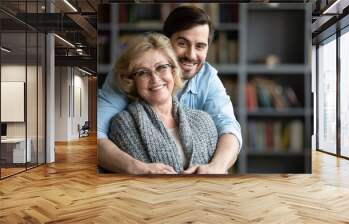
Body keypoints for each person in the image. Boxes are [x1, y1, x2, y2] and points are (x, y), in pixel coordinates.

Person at [98, 6, 242, 174]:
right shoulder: (127, 74)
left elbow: (229, 128)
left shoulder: (207, 79)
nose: (191, 55)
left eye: (200, 46)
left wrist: (216, 167)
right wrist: (136, 169)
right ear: (166, 41)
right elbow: (96, 135)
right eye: (182, 43)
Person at [108, 33, 218, 174]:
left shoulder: (204, 121)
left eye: (161, 68)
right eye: (143, 72)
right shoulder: (124, 123)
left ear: (173, 71)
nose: (155, 79)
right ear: (132, 81)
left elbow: (220, 177)